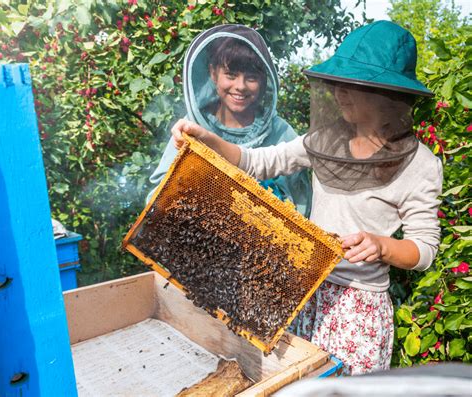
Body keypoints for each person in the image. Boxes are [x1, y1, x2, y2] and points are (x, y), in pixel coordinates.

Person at [169, 21, 443, 375]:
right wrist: (208, 140)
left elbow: (424, 249)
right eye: (339, 84)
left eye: (353, 86)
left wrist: (382, 246)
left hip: (358, 308)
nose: (340, 93)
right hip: (305, 289)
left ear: (387, 96)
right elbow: (258, 161)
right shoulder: (325, 139)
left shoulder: (421, 165)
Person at [147, 24, 312, 218]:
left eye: (251, 78)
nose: (240, 86)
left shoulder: (281, 132)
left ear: (263, 81)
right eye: (231, 75)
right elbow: (158, 197)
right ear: (213, 74)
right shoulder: (191, 128)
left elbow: (302, 204)